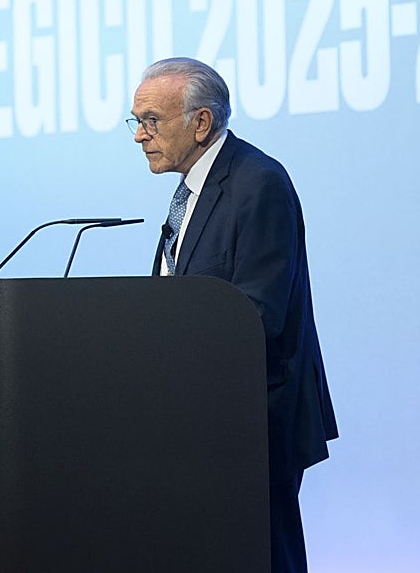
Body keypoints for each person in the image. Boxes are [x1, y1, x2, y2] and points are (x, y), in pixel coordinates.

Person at [128, 57, 337, 573]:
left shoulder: (257, 183)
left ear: (201, 122)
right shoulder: (191, 192)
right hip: (193, 417)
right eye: (136, 121)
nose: (139, 135)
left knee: (264, 555)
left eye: (151, 120)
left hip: (253, 419)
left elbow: (255, 315)